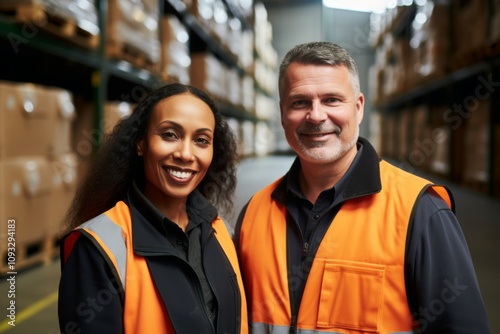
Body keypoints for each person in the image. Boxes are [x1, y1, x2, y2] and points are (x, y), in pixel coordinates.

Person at [234, 42, 490, 333]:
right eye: (300, 102)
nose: (316, 116)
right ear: (283, 113)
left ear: (358, 108)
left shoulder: (420, 212)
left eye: (331, 100)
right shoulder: (255, 213)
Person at [58, 83, 248, 333]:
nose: (185, 153)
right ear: (140, 143)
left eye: (201, 140)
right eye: (170, 134)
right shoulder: (98, 247)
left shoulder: (220, 231)